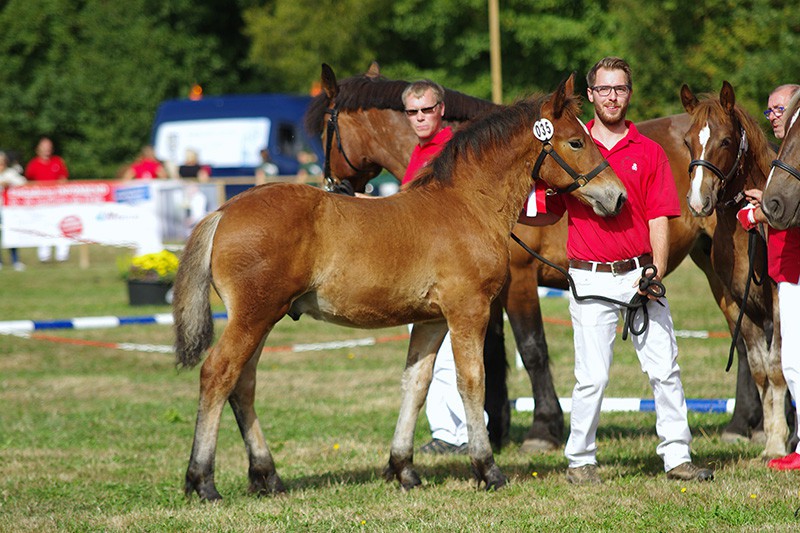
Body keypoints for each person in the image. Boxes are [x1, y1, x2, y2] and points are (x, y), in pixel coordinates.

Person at [520, 57, 713, 483]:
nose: (612, 97)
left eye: (619, 89)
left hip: (640, 274)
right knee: (591, 378)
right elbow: (548, 207)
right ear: (591, 95)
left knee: (665, 370)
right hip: (590, 276)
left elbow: (660, 216)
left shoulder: (650, 151)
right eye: (604, 89)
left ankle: (677, 457)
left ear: (629, 94)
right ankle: (580, 460)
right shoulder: (574, 145)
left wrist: (656, 271)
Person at [398, 79, 487, 454]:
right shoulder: (419, 152)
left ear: (441, 110)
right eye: (412, 112)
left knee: (452, 357)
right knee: (426, 356)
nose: (420, 118)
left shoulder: (452, 151)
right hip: (418, 269)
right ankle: (445, 433)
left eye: (426, 110)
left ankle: (468, 433)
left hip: (448, 272)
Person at [737, 83, 800, 470]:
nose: (774, 117)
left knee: (793, 362)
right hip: (787, 270)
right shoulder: (787, 154)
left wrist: (757, 213)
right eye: (770, 110)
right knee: (793, 362)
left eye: (780, 109)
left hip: (795, 270)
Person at [24, 137, 70, 262]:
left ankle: (62, 255)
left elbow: (64, 179)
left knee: (61, 226)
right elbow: (28, 182)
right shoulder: (33, 164)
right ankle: (44, 255)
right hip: (40, 203)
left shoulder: (57, 161)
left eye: (49, 147)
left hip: (57, 201)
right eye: (44, 147)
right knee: (43, 227)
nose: (47, 150)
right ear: (38, 149)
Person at [0, 150, 27, 271]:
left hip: (9, 210)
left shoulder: (10, 173)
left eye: (2, 163)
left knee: (11, 235)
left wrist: (9, 182)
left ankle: (15, 260)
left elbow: (23, 182)